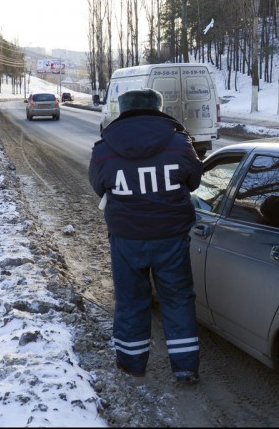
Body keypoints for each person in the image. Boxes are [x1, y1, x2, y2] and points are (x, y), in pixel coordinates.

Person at [89, 88, 203, 384]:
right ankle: (185, 369)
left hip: (126, 239)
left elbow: (99, 186)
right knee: (177, 300)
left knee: (130, 300)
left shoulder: (104, 147)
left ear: (122, 111)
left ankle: (131, 365)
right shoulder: (179, 143)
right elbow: (194, 180)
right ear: (157, 108)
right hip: (172, 238)